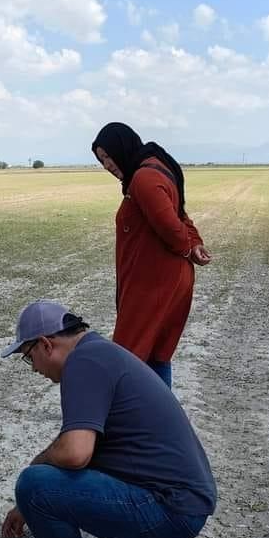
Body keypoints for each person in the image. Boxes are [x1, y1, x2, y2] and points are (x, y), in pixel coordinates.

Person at [0, 300, 217, 538]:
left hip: (171, 512)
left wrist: (30, 496)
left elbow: (74, 453)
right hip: (186, 506)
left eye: (29, 357)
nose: (34, 368)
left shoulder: (83, 364)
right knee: (59, 474)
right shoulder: (100, 353)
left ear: (46, 344)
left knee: (34, 484)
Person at [91, 123, 212, 389]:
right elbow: (180, 215)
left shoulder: (143, 179)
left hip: (154, 284)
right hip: (166, 280)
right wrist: (194, 244)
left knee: (127, 357)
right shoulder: (155, 165)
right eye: (101, 160)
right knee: (157, 355)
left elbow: (171, 226)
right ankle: (164, 419)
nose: (107, 165)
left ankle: (131, 421)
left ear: (122, 147)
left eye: (109, 156)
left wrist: (186, 244)